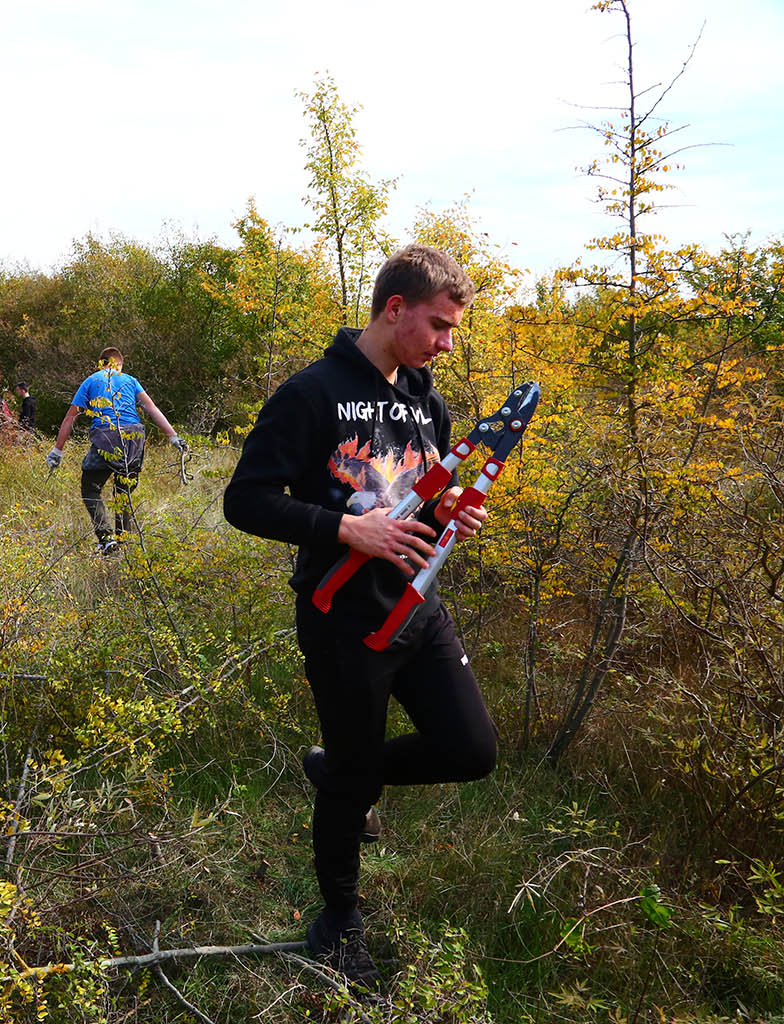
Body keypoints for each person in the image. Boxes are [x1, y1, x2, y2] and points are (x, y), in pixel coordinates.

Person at [222, 244, 497, 992]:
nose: (447, 343)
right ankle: (337, 922)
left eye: (452, 330)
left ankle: (340, 771)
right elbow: (245, 501)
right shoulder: (311, 393)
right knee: (353, 778)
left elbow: (423, 496)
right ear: (394, 308)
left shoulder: (425, 399)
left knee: (471, 749)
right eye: (439, 326)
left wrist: (451, 517)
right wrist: (347, 529)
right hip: (343, 618)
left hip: (417, 610)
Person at [46, 347, 186, 555]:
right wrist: (174, 437)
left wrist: (57, 451)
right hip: (134, 439)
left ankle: (106, 539)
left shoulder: (91, 381)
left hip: (106, 437)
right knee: (124, 491)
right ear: (120, 364)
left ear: (101, 364)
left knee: (91, 487)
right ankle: (124, 542)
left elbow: (70, 418)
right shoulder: (130, 380)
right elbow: (151, 408)